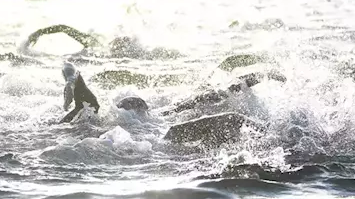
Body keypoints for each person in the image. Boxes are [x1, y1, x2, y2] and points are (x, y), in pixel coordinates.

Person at [58, 61, 286, 148]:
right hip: (161, 139)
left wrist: (261, 75)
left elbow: (230, 89)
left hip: (161, 135)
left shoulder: (168, 110)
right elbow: (70, 69)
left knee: (220, 108)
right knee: (231, 118)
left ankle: (270, 135)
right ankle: (271, 135)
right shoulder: (96, 118)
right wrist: (70, 82)